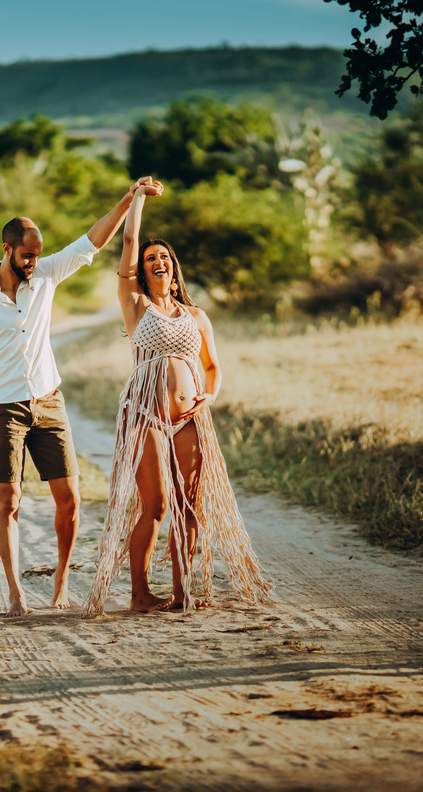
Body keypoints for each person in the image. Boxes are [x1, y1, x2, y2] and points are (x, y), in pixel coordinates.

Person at [0, 177, 157, 617]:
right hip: (3, 407)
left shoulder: (45, 274)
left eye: (38, 254)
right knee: (10, 501)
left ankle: (60, 580)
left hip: (48, 399)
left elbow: (93, 240)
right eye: (27, 255)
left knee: (71, 499)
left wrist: (129, 197)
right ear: (7, 250)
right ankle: (15, 592)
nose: (34, 262)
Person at [84, 180, 272, 615]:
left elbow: (212, 366)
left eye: (164, 257)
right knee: (155, 505)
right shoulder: (135, 304)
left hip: (189, 417)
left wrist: (209, 397)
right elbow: (130, 240)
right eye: (151, 259)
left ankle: (183, 590)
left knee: (189, 505)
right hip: (145, 414)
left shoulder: (196, 315)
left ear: (174, 267)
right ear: (142, 270)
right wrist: (136, 200)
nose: (158, 262)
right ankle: (139, 593)